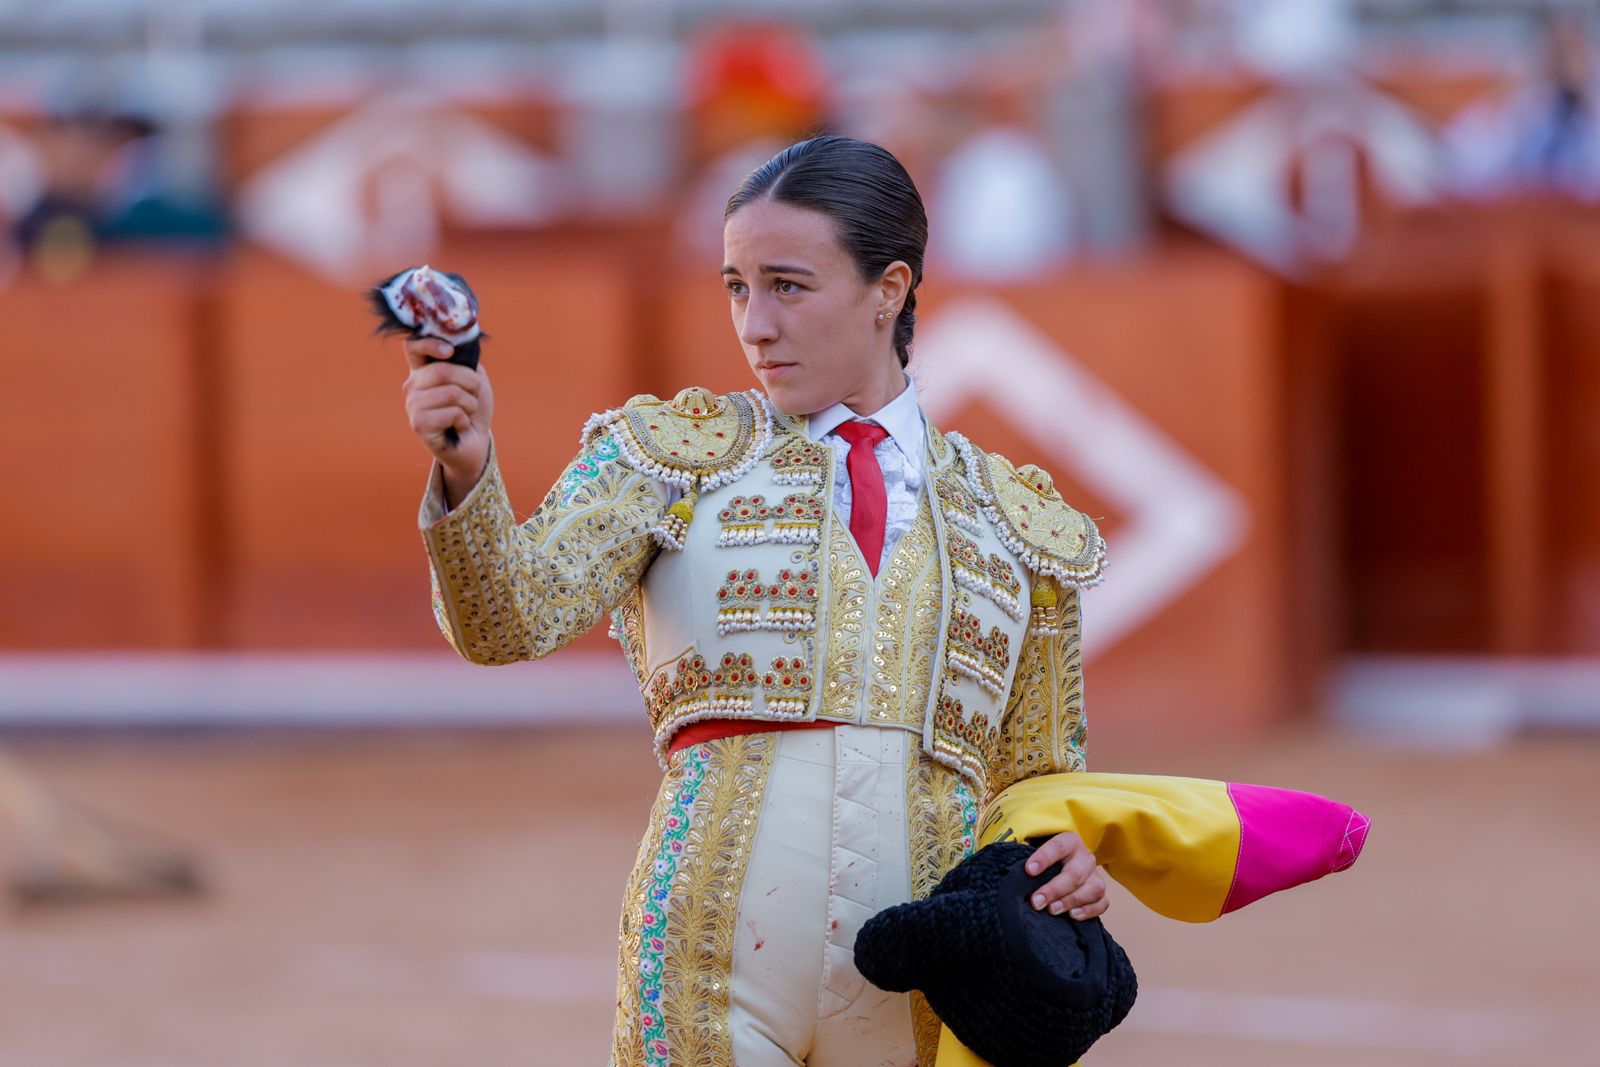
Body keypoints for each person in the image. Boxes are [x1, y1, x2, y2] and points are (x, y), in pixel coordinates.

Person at [402, 135, 1110, 1066]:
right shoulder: (668, 454)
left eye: (787, 285)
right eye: (736, 286)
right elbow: (509, 619)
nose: (755, 325)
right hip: (706, 956)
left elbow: (1037, 779)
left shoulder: (1010, 520)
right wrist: (467, 468)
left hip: (924, 985)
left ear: (889, 290)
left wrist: (1070, 859)